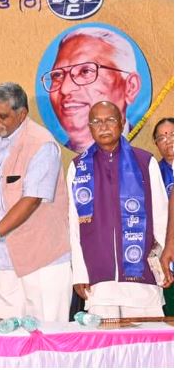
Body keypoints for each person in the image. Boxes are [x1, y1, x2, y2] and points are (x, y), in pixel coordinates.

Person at [0, 82, 72, 322]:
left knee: (47, 334)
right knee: (5, 335)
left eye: (2, 116)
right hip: (0, 259)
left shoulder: (42, 143)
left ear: (22, 114)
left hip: (42, 259)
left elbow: (31, 200)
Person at [68, 101, 168, 318]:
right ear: (89, 127)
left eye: (110, 120)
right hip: (99, 279)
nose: (103, 126)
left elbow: (162, 217)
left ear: (122, 123)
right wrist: (80, 273)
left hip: (142, 278)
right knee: (106, 338)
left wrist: (166, 262)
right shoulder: (78, 168)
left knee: (147, 338)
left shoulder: (145, 162)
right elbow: (74, 225)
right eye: (96, 122)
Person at [42, 27, 142, 153]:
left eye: (85, 71)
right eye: (57, 75)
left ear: (130, 87)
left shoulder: (147, 150)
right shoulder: (51, 155)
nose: (65, 89)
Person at [153, 117, 173, 315]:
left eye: (172, 134)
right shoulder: (154, 173)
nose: (168, 141)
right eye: (162, 137)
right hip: (167, 249)